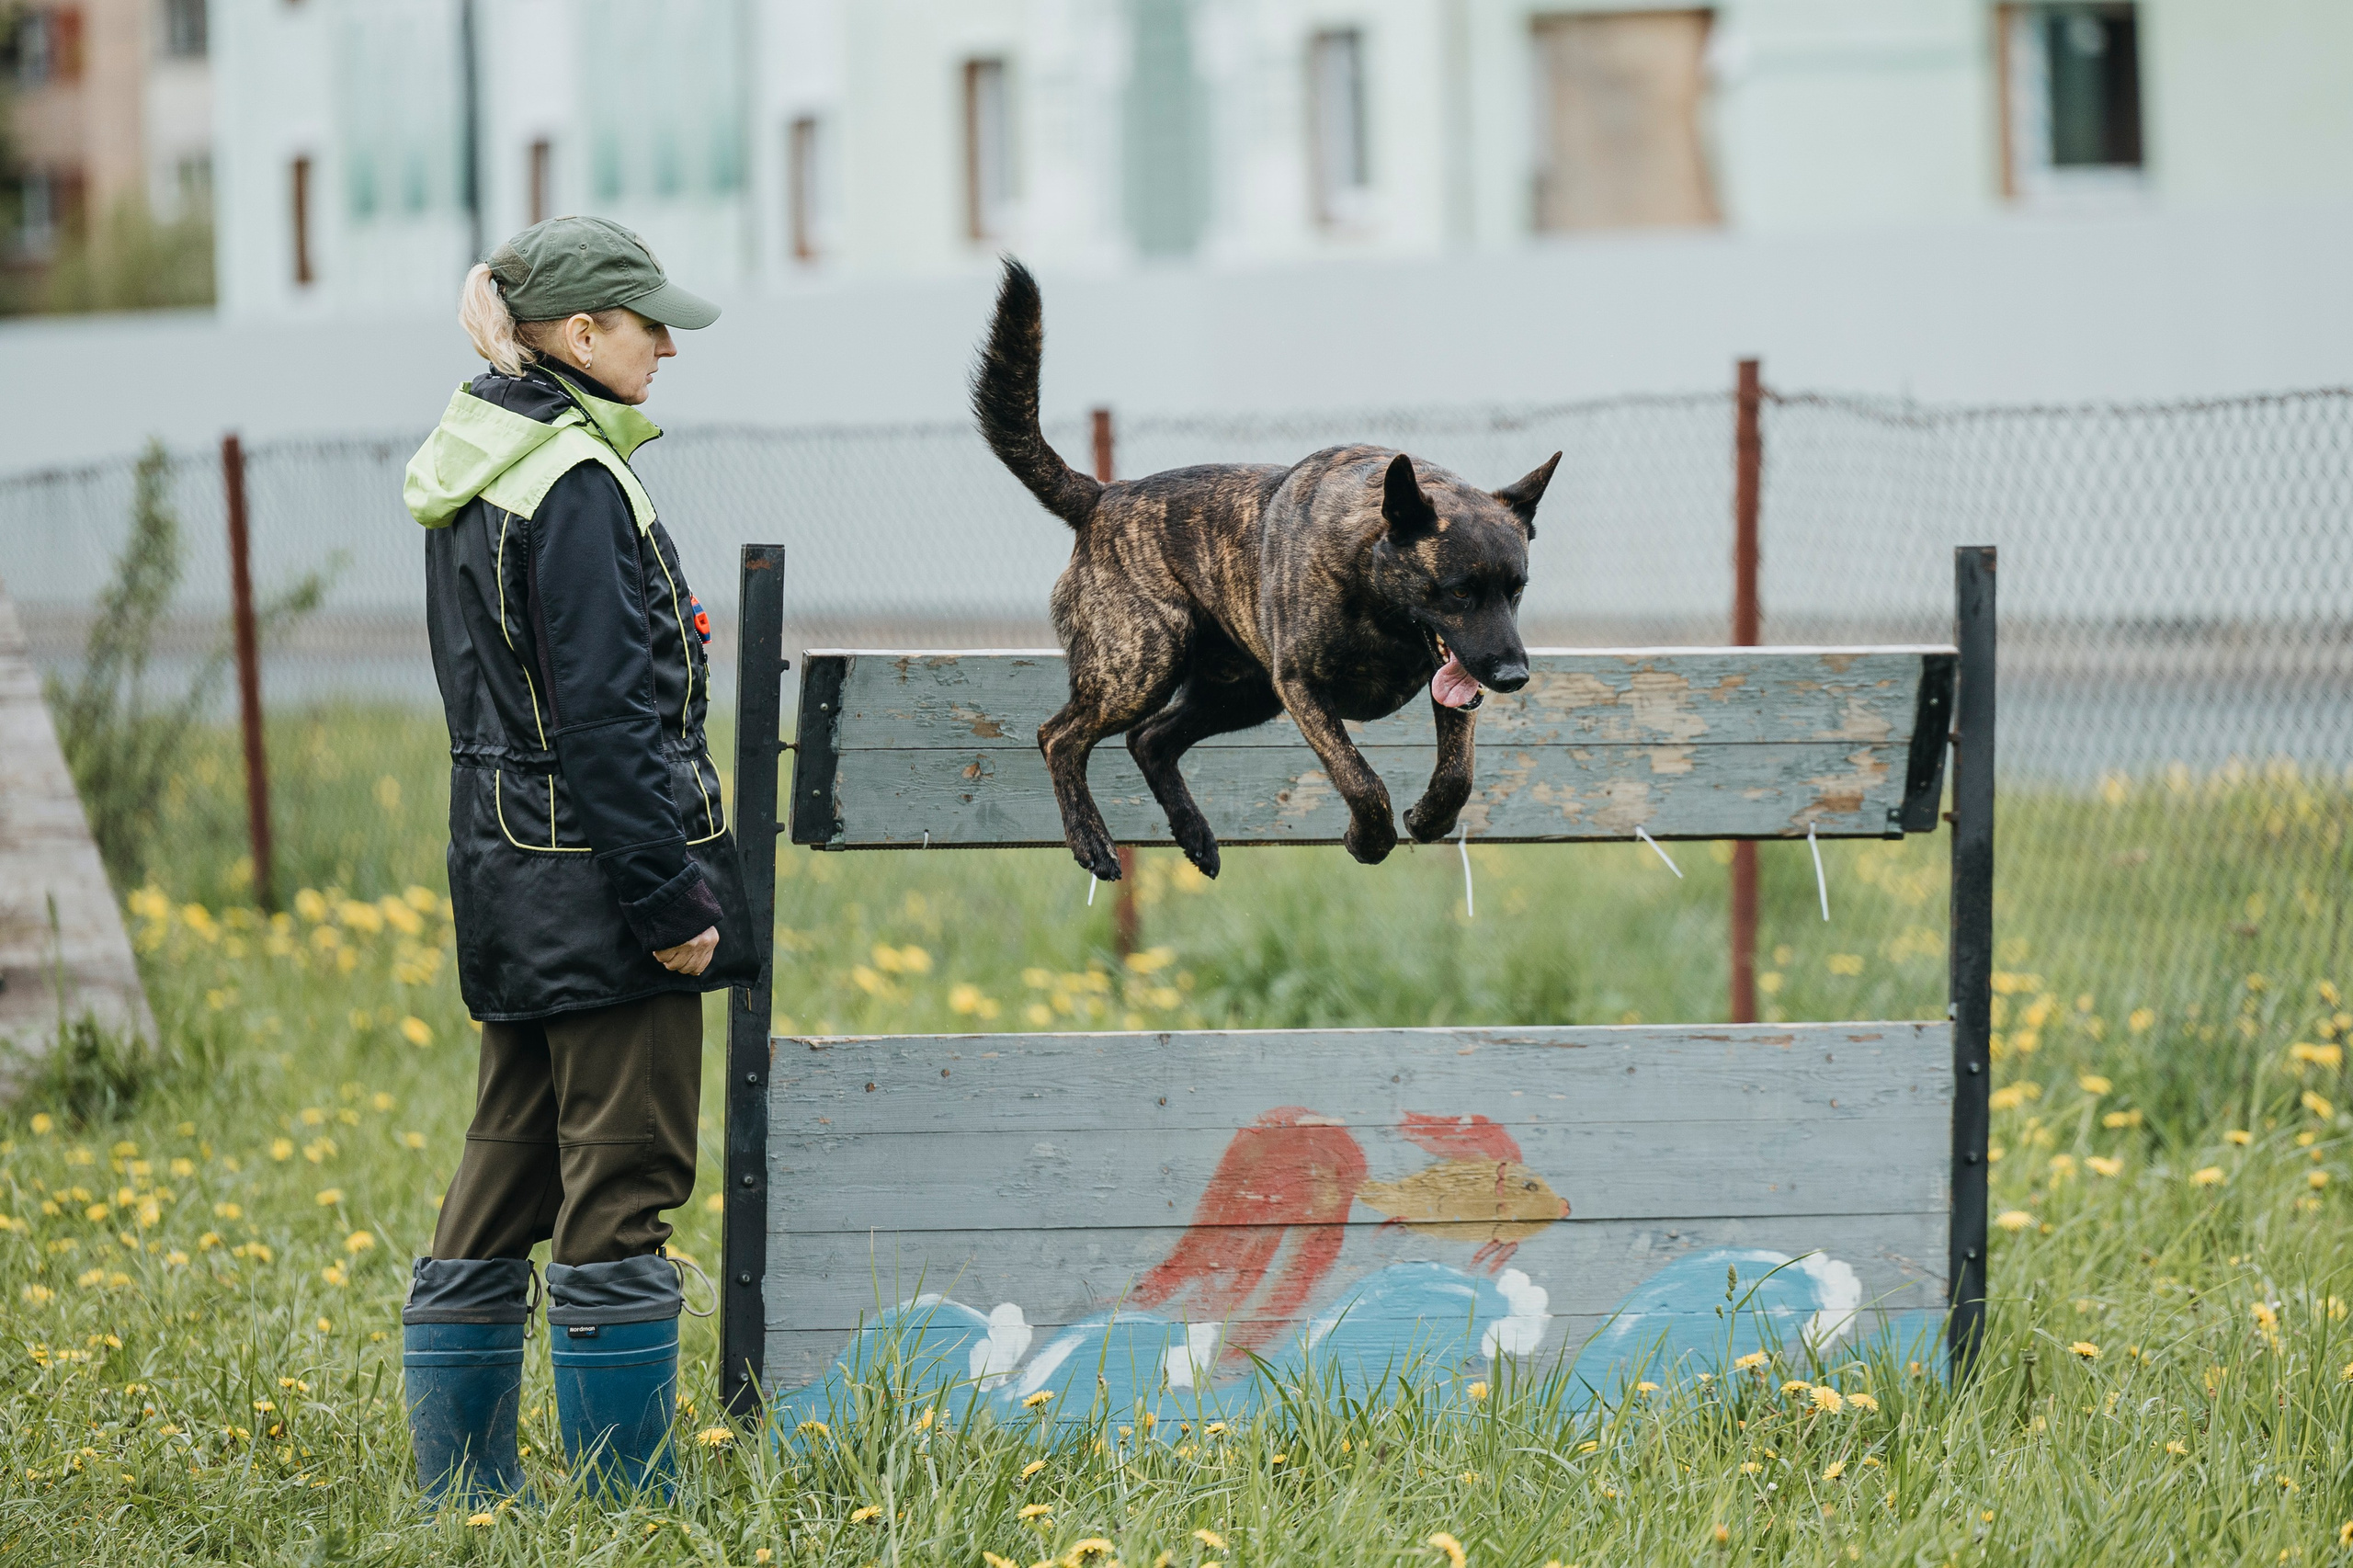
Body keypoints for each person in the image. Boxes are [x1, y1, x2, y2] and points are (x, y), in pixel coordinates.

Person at [398, 215, 759, 1504]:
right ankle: (628, 1498)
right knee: (628, 1177)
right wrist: (672, 900)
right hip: (606, 890)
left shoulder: (480, 455)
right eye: (643, 320)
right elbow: (606, 721)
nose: (666, 343)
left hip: (507, 875)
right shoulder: (578, 484)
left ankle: (468, 1492)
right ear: (579, 332)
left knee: (507, 1162)